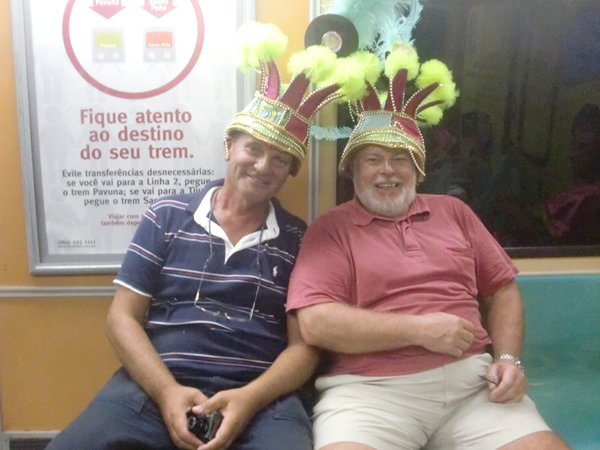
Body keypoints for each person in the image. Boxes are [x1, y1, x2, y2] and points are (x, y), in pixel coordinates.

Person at [47, 22, 342, 450]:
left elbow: (304, 349)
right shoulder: (165, 215)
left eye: (280, 160)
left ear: (289, 173)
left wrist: (249, 398)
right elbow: (121, 318)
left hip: (261, 398)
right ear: (229, 146)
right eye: (253, 148)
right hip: (153, 388)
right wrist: (166, 392)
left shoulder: (301, 239)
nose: (263, 166)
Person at [286, 49, 571, 449]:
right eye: (373, 159)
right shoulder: (330, 229)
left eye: (401, 159)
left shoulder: (454, 211)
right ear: (352, 170)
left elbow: (502, 289)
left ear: (418, 170)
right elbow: (317, 323)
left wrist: (508, 359)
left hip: (473, 387)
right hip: (369, 394)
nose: (388, 170)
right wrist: (421, 330)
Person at [544, 103, 600, 245]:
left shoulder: (587, 199)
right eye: (573, 144)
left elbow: (553, 239)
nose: (571, 156)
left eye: (581, 146)